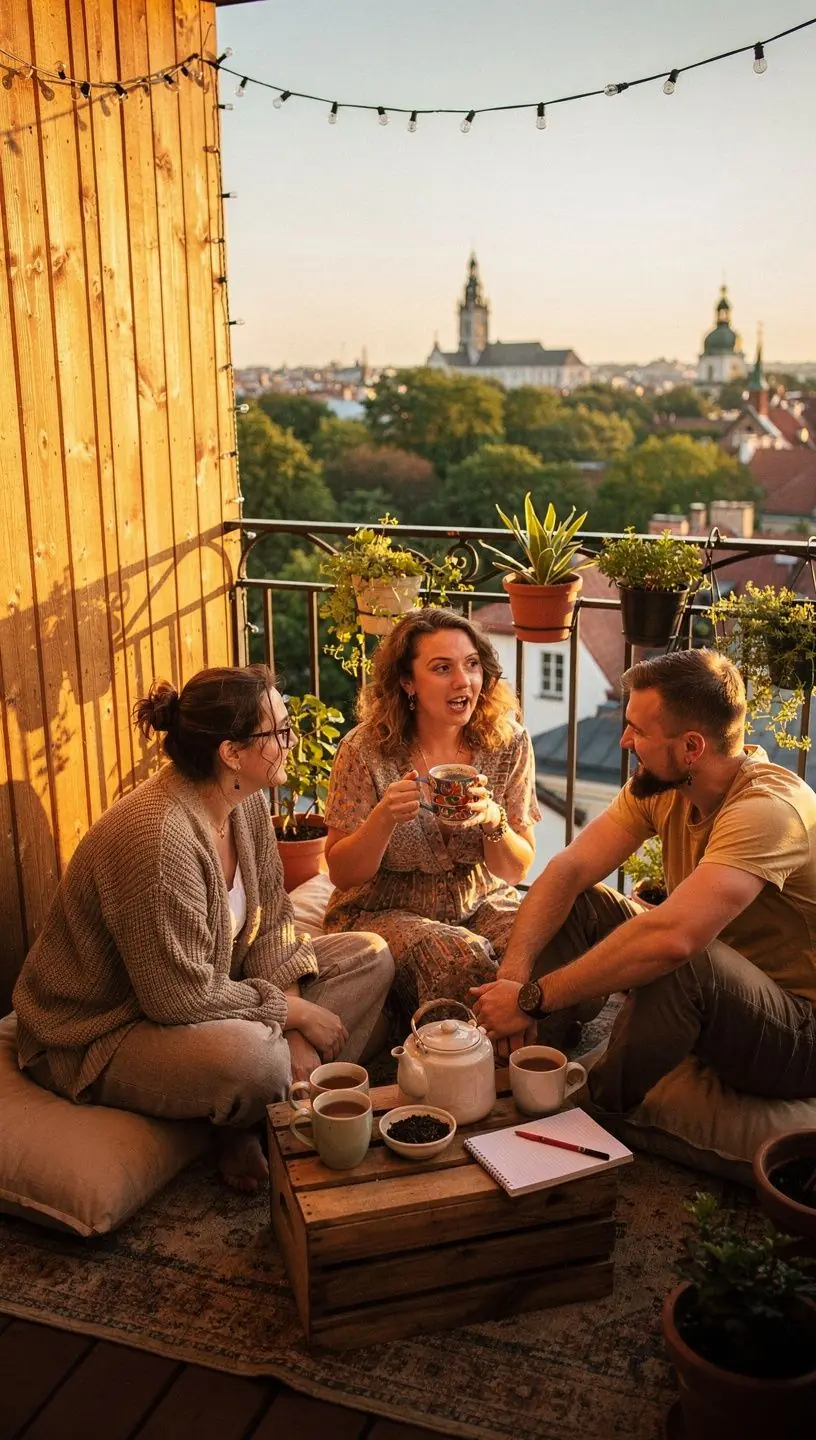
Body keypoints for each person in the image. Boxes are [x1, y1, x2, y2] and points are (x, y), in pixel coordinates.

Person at [13, 665, 394, 1193]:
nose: (292, 742)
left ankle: (258, 1108)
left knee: (371, 956)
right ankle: (254, 1112)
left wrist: (291, 1026)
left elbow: (274, 924)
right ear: (231, 752)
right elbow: (178, 999)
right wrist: (295, 1014)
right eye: (280, 731)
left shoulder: (245, 801)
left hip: (210, 990)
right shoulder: (160, 839)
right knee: (257, 1063)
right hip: (103, 1029)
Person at [472, 647, 816, 1111]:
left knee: (685, 959)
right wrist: (514, 982)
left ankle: (590, 1110)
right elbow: (568, 870)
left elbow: (674, 940)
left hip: (798, 1030)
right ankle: (527, 1058)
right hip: (725, 986)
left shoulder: (768, 811)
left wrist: (534, 997)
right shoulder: (665, 786)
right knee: (581, 901)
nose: (623, 741)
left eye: (638, 730)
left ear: (692, 747)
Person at [322, 607, 539, 1026]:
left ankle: (504, 1042)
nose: (463, 681)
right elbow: (342, 874)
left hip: (481, 900)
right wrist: (383, 819)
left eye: (472, 664)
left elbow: (516, 870)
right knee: (458, 957)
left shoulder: (508, 742)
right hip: (382, 909)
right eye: (442, 668)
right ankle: (487, 1051)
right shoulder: (364, 750)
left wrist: (493, 820)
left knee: (537, 947)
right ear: (408, 682)